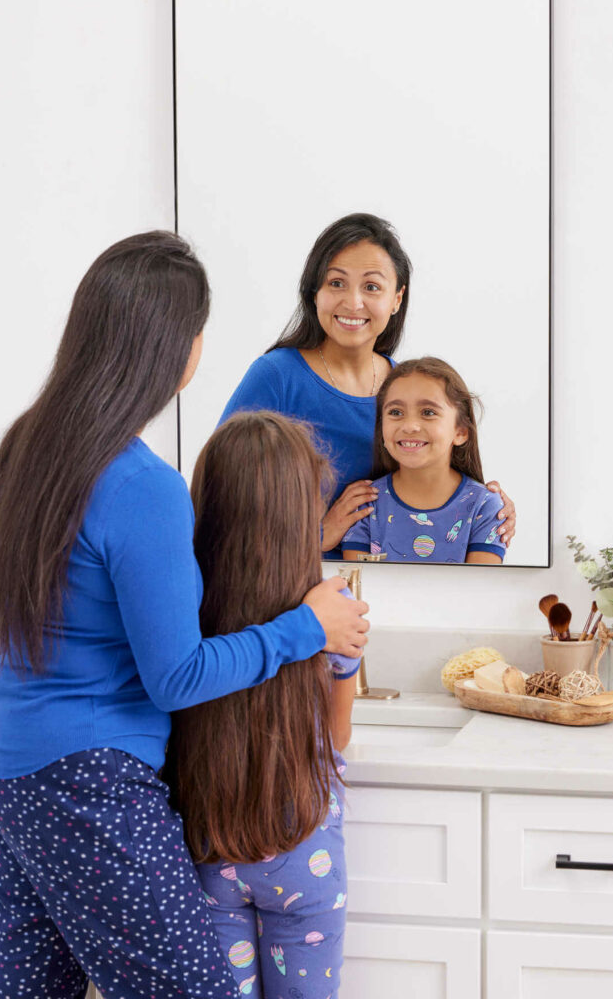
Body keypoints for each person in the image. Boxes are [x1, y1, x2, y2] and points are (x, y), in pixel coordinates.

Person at [0, 231, 368, 999]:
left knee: (31, 988)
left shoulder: (29, 446)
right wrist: (306, 628)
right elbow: (178, 675)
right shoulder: (139, 483)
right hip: (84, 781)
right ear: (174, 347)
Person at [163, 411, 360, 999]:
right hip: (304, 856)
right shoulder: (331, 613)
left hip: (208, 849)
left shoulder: (182, 615)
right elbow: (337, 736)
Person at [219, 213, 516, 556]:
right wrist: (318, 536)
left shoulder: (406, 388)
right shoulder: (276, 376)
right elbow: (221, 494)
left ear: (397, 299)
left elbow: (437, 483)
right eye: (336, 283)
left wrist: (489, 510)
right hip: (290, 587)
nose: (353, 302)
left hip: (384, 591)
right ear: (314, 292)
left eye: (372, 286)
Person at [342, 357, 507, 564]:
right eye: (395, 412)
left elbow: (480, 590)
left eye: (428, 412)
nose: (410, 426)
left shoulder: (485, 506)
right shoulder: (365, 504)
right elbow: (357, 590)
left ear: (461, 432)